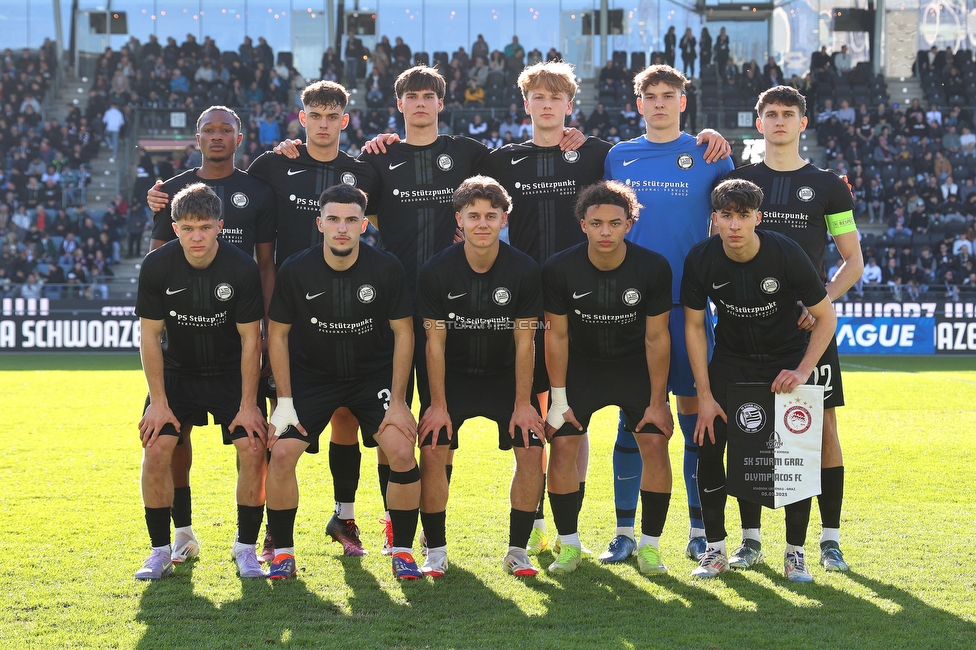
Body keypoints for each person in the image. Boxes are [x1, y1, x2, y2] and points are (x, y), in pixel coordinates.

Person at [149, 86, 381, 559]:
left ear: (344, 120)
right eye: (314, 115)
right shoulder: (271, 166)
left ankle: (345, 515)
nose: (322, 123)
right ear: (300, 118)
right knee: (275, 429)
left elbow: (389, 214)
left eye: (331, 115)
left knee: (345, 418)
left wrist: (389, 143)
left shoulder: (360, 170)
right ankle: (258, 532)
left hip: (340, 311)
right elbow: (171, 255)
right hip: (272, 321)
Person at [726, 85, 862, 572]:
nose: (779, 121)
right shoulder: (739, 178)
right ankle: (751, 540)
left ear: (803, 123)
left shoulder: (827, 185)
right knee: (751, 428)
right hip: (749, 329)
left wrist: (822, 301)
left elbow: (853, 260)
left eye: (788, 114)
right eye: (771, 114)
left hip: (809, 329)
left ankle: (828, 539)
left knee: (821, 427)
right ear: (758, 121)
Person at [603, 64, 734, 565]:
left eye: (669, 95)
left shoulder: (708, 154)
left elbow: (735, 212)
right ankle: (623, 531)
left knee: (695, 416)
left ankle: (699, 530)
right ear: (639, 104)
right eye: (651, 96)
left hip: (690, 309)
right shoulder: (619, 156)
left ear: (683, 101)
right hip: (630, 310)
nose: (660, 103)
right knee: (633, 418)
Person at [682, 178, 838, 582]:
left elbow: (826, 317)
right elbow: (695, 327)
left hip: (784, 363)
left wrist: (803, 370)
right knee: (711, 445)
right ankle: (715, 550)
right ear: (714, 219)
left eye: (744, 216)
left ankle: (794, 554)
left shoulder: (786, 253)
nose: (735, 225)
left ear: (758, 218)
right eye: (727, 216)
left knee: (794, 458)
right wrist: (703, 393)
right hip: (731, 363)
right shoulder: (701, 259)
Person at [264, 183, 422, 580]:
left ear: (364, 225)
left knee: (402, 451)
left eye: (351, 220)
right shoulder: (296, 269)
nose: (342, 228)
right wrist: (284, 401)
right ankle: (283, 553)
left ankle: (402, 551)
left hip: (371, 378)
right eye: (333, 219)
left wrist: (400, 401)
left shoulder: (385, 267)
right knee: (281, 454)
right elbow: (277, 335)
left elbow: (404, 333)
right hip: (313, 379)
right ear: (319, 223)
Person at [144, 106, 277, 566]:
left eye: (225, 130)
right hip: (179, 356)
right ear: (196, 137)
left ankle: (245, 547)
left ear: (240, 138)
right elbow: (160, 265)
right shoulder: (171, 192)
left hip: (232, 346)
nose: (216, 136)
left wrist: (266, 328)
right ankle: (175, 539)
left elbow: (264, 264)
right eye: (208, 130)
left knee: (253, 441)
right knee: (166, 441)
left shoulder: (259, 190)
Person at [416, 176, 545, 578]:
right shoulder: (436, 270)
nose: (483, 223)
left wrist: (524, 405)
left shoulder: (524, 269)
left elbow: (526, 342)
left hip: (505, 376)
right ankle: (435, 551)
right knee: (434, 448)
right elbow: (433, 344)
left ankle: (517, 550)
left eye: (491, 215)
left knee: (530, 447)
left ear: (505, 219)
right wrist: (437, 406)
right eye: (474, 215)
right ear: (459, 219)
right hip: (452, 377)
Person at [542, 180, 673, 575]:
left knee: (654, 444)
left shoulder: (653, 267)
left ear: (629, 224)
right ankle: (569, 546)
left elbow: (656, 337)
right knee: (563, 449)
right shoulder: (559, 268)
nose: (605, 232)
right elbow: (558, 337)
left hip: (633, 367)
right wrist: (559, 398)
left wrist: (657, 401)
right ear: (583, 224)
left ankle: (649, 547)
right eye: (596, 223)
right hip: (582, 368)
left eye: (615, 223)